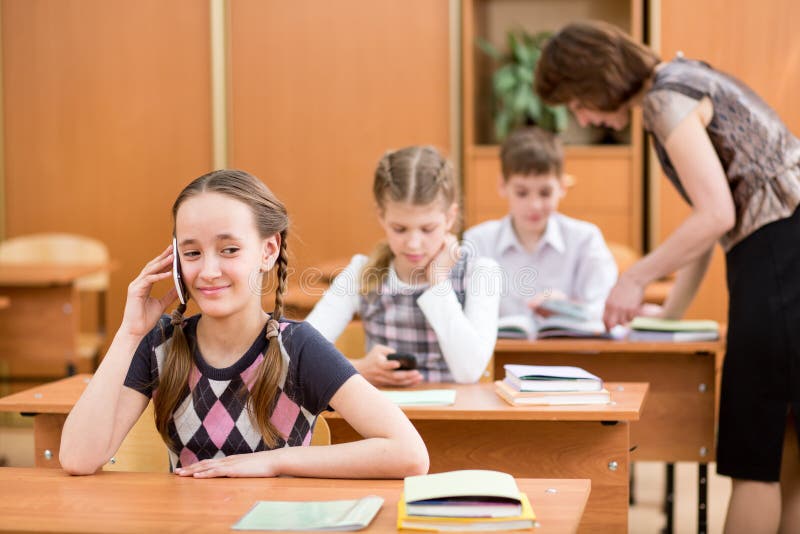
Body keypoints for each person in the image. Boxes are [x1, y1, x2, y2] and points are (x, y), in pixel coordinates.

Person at [536, 20, 800, 533]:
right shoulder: (686, 75)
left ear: (595, 79)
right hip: (785, 253)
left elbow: (717, 215)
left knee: (753, 461)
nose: (582, 116)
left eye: (575, 102)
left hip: (779, 260)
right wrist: (671, 313)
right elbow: (708, 221)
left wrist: (634, 277)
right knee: (788, 454)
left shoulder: (663, 99)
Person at [60, 169, 429, 478]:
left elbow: (410, 453)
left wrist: (273, 461)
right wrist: (129, 335)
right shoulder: (160, 345)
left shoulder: (298, 347)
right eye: (191, 253)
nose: (208, 270)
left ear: (268, 251)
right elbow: (78, 459)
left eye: (229, 250)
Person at [306, 146, 501, 387]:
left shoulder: (480, 273)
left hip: (457, 420)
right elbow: (302, 353)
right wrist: (358, 369)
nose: (414, 243)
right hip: (379, 420)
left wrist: (438, 282)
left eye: (428, 229)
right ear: (381, 216)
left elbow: (468, 371)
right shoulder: (362, 272)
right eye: (400, 229)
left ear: (450, 217)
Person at [463, 126, 617, 324]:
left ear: (562, 187)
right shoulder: (478, 241)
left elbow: (603, 310)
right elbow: (465, 314)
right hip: (501, 353)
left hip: (567, 352)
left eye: (545, 193)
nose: (534, 205)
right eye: (522, 193)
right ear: (503, 186)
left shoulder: (585, 239)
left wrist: (568, 306)